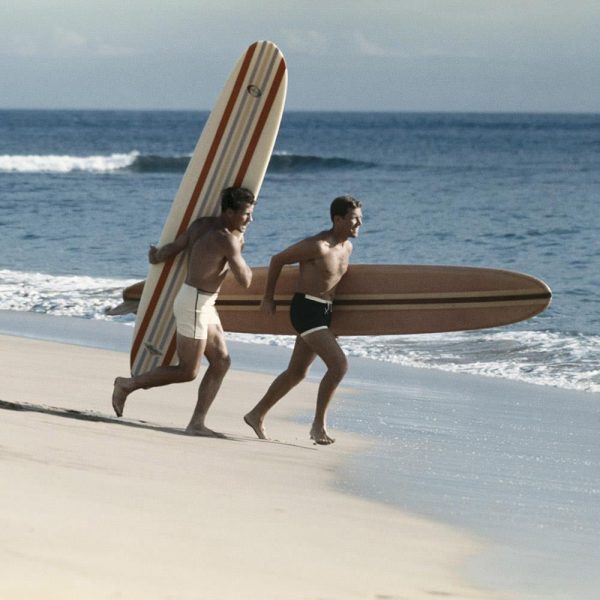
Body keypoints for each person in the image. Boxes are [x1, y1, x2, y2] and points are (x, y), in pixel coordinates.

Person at [112, 186, 255, 437]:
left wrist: (155, 255)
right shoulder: (228, 239)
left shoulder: (201, 225)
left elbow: (168, 252)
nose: (250, 220)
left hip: (202, 301)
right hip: (195, 305)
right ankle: (127, 385)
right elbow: (245, 280)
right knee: (188, 371)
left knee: (221, 361)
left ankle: (197, 423)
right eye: (246, 214)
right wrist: (239, 246)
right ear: (231, 212)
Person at [244, 195, 362, 445]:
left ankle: (256, 414)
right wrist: (268, 298)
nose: (359, 225)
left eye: (361, 220)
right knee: (339, 365)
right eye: (354, 220)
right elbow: (277, 260)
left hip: (325, 313)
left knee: (297, 372)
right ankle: (318, 426)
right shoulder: (317, 246)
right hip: (306, 310)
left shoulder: (347, 247)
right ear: (337, 219)